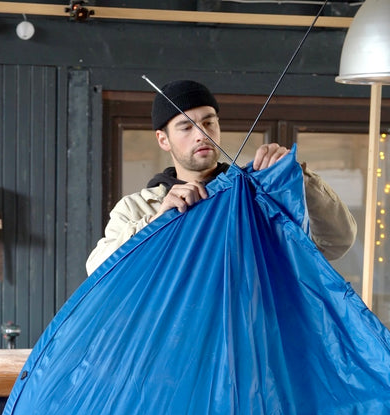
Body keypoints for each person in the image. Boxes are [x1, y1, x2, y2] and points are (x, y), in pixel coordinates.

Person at [86, 80, 357, 275]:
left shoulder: (257, 196)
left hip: (247, 342)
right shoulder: (138, 208)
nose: (201, 134)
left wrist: (300, 179)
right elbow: (98, 269)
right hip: (174, 345)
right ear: (163, 139)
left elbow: (337, 242)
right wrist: (159, 220)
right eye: (185, 126)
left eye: (208, 122)